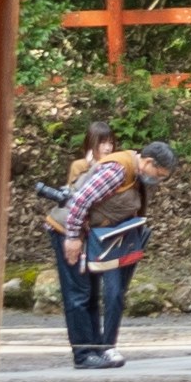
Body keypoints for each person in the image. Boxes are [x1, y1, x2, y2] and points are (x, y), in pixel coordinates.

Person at [49, 127, 157, 364]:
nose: (158, 179)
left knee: (91, 294)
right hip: (68, 230)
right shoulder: (118, 169)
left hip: (92, 236)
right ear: (148, 161)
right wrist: (73, 238)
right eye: (158, 172)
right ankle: (83, 354)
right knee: (78, 295)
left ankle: (96, 349)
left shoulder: (133, 174)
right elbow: (80, 201)